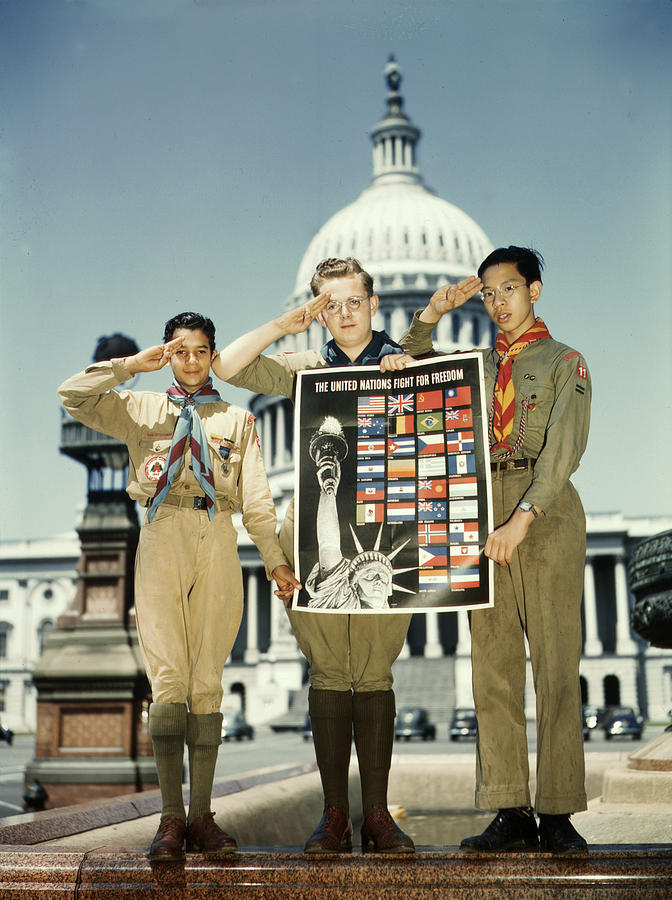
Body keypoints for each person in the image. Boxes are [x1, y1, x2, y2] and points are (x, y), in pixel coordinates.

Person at [212, 257, 446, 854]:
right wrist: (282, 326)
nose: (343, 313)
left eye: (353, 301)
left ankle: (376, 815)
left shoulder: (409, 363)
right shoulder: (306, 366)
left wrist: (412, 367)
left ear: (374, 305)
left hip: (387, 531)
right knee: (327, 671)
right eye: (329, 304)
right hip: (312, 527)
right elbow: (226, 366)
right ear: (320, 312)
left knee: (373, 672)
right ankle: (334, 815)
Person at [58, 313, 299, 863]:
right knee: (167, 678)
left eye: (201, 352)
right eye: (180, 351)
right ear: (168, 353)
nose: (191, 361)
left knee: (207, 679)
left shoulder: (236, 419)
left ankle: (203, 816)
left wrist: (276, 562)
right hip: (161, 531)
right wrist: (128, 367)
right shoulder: (138, 408)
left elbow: (258, 501)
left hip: (217, 535)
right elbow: (70, 395)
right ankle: (170, 817)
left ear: (214, 356)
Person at [400, 246, 591, 855]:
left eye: (507, 288)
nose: (497, 301)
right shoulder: (477, 365)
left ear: (534, 290)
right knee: (493, 669)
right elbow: (412, 364)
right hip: (483, 508)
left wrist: (523, 518)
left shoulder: (566, 361)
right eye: (487, 293)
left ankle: (558, 811)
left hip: (547, 506)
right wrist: (432, 313)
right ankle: (511, 808)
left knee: (557, 666)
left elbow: (564, 447)